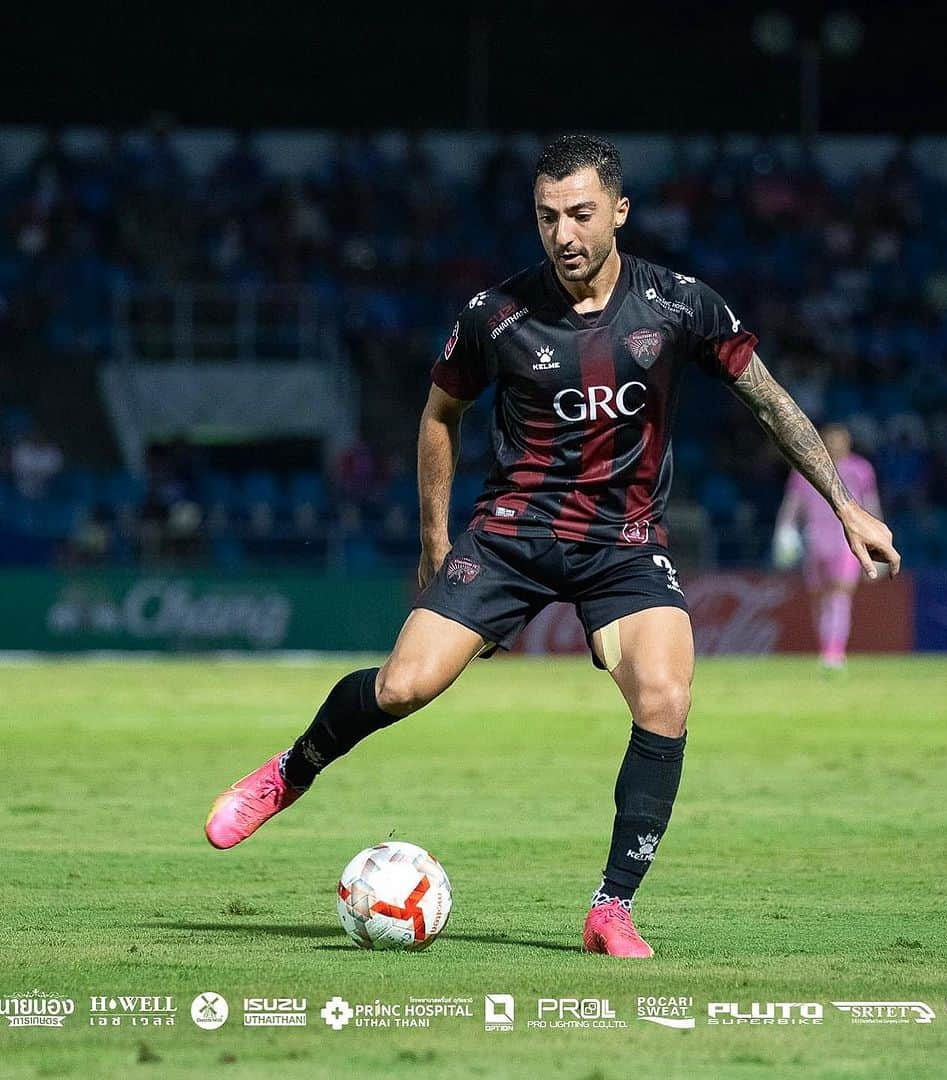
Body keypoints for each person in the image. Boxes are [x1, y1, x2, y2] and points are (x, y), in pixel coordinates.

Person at [205, 135, 900, 957]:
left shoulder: (680, 304)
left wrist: (846, 505)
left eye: (580, 214)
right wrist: (434, 539)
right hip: (512, 535)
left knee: (667, 697)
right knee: (402, 688)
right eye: (546, 217)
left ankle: (611, 908)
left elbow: (770, 402)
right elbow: (439, 414)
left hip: (625, 544)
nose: (563, 234)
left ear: (618, 212)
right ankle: (289, 772)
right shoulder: (496, 315)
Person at [773, 424, 882, 669]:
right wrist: (784, 532)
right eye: (829, 440)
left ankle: (834, 652)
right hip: (815, 542)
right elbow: (792, 505)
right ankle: (826, 648)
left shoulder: (860, 469)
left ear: (848, 442)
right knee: (819, 599)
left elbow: (871, 505)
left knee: (840, 595)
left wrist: (877, 537)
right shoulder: (805, 468)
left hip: (846, 544)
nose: (834, 444)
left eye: (839, 440)